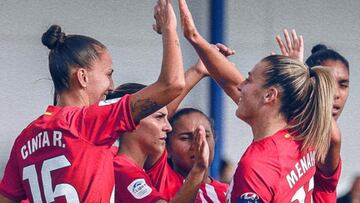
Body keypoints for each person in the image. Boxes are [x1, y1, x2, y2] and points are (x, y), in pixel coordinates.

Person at [0, 0, 185, 201]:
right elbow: (171, 85)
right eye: (108, 74)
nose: (112, 86)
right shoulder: (88, 122)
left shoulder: (25, 139)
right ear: (83, 77)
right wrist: (169, 28)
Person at [177, 1, 336, 202]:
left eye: (249, 79)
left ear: (270, 96)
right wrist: (194, 38)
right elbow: (230, 81)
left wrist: (193, 37)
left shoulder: (256, 165)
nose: (241, 85)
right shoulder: (301, 133)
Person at [276, 32, 350, 202]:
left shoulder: (332, 139)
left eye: (343, 84)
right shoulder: (279, 128)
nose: (336, 94)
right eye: (326, 83)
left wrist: (295, 80)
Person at [108, 83, 209, 203]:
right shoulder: (122, 169)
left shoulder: (134, 168)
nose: (168, 127)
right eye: (159, 117)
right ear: (131, 121)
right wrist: (199, 168)